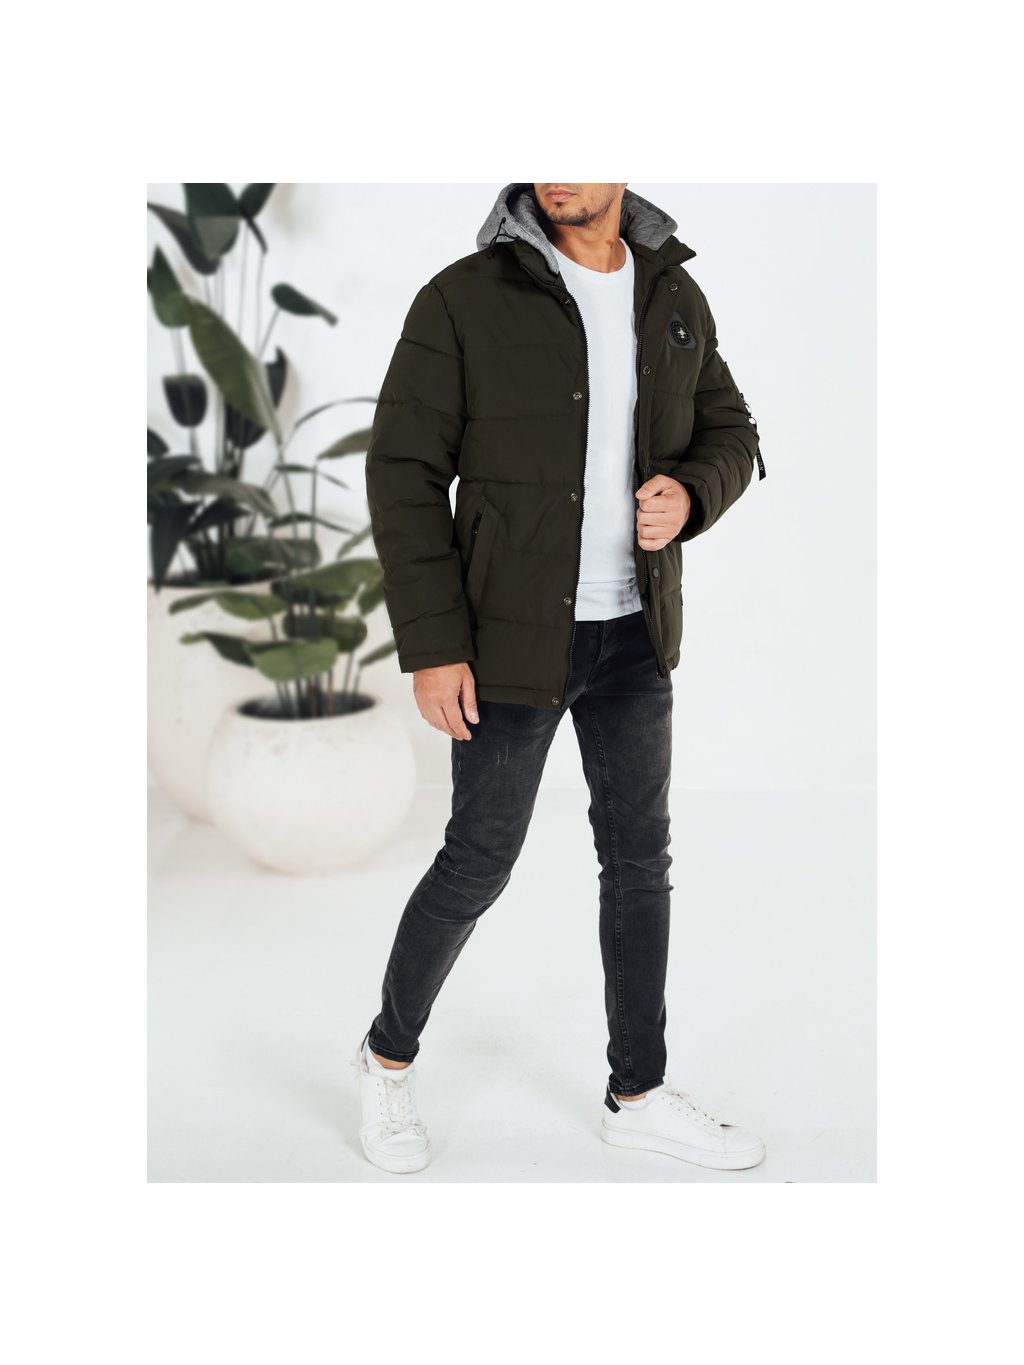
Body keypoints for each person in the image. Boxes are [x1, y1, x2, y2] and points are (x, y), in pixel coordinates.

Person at [354, 183, 767, 1175]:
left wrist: (691, 492)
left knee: (639, 863)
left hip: (634, 636)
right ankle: (386, 1059)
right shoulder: (462, 297)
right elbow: (403, 471)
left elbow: (732, 431)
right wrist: (433, 644)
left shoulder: (670, 293)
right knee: (477, 861)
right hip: (506, 645)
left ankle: (638, 1094)